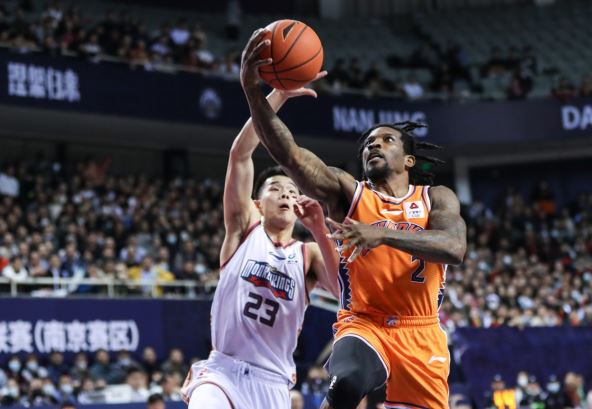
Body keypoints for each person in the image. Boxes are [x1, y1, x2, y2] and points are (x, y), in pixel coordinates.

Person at [240, 28, 467, 409]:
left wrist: (382, 234)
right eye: (368, 143)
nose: (374, 144)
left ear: (409, 160)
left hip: (421, 331)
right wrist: (251, 90)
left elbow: (454, 248)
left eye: (386, 140)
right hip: (364, 322)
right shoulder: (348, 192)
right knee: (347, 382)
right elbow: (290, 155)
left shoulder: (436, 198)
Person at [180, 62, 338, 409]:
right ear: (257, 203)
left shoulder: (308, 254)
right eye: (276, 189)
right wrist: (277, 96)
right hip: (222, 373)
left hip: (273, 384)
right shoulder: (245, 228)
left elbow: (348, 292)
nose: (286, 194)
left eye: (292, 191)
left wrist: (320, 230)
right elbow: (240, 155)